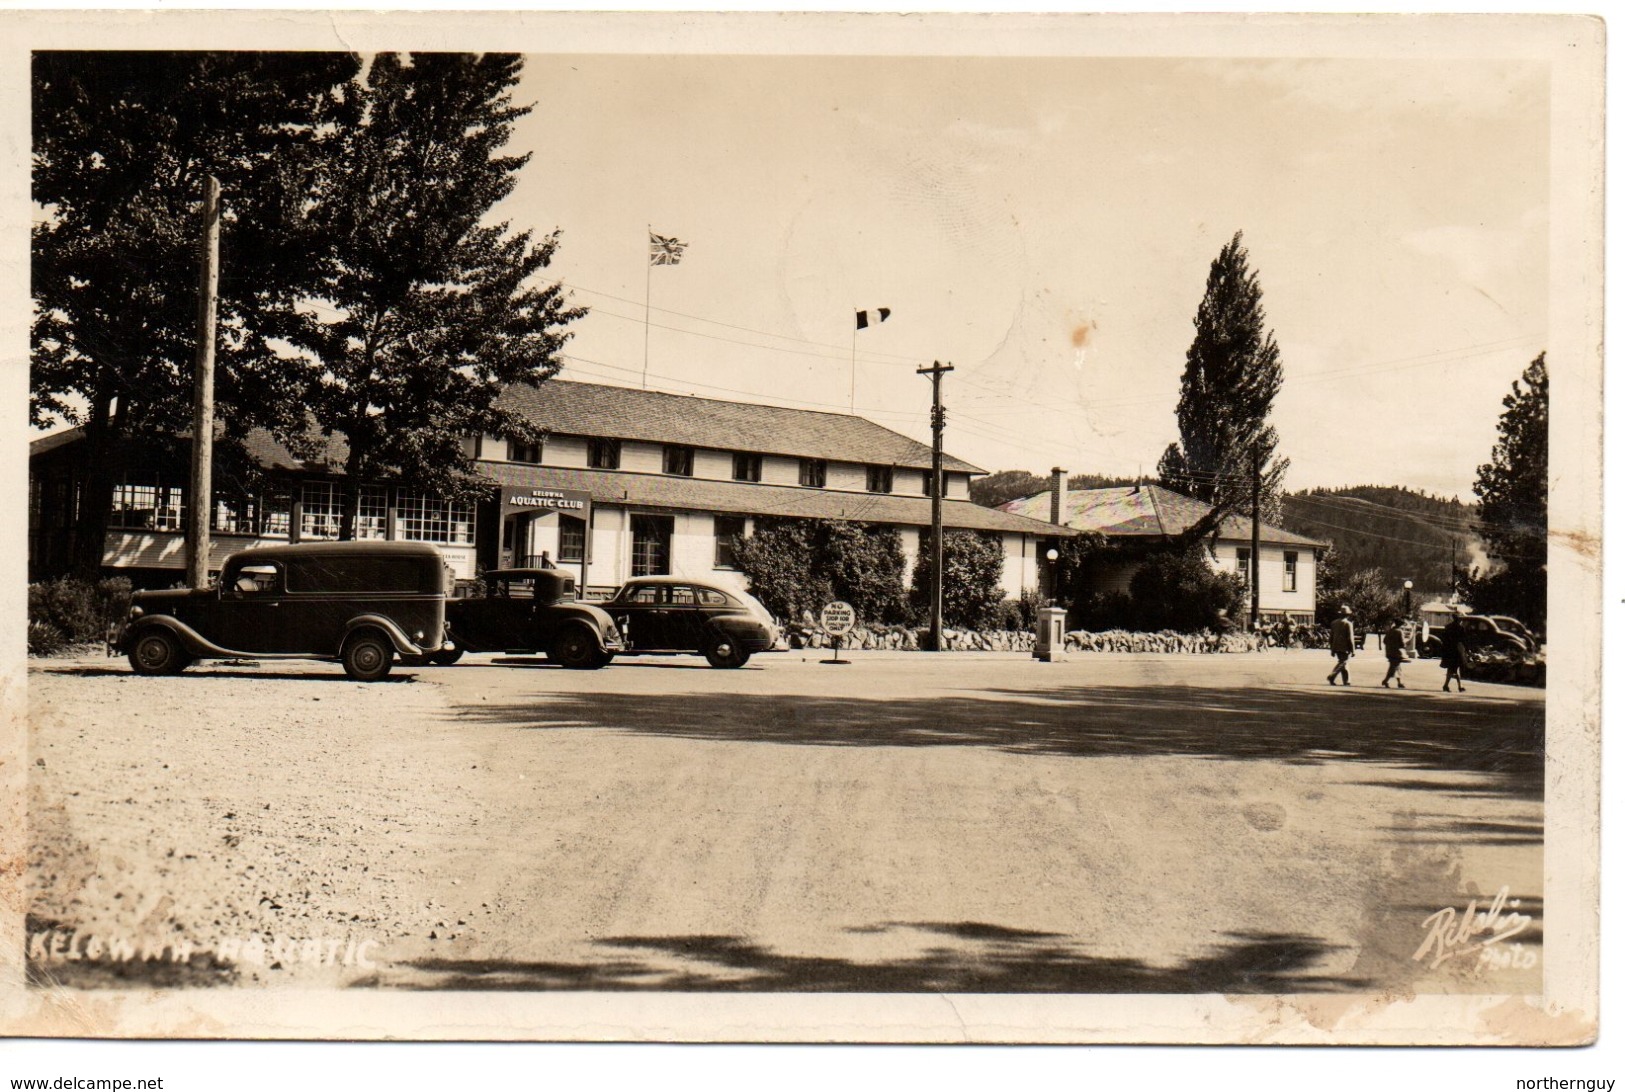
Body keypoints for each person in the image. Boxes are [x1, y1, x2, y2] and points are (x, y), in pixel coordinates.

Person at [1327, 604, 1356, 686]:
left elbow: (1331, 637)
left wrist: (1331, 649)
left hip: (1336, 646)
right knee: (1343, 662)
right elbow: (1350, 638)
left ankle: (1346, 681)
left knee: (1344, 662)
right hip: (1345, 647)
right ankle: (1332, 676)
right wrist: (1353, 650)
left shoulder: (1334, 623)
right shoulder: (1348, 624)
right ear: (1348, 615)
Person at [1439, 613, 1468, 692]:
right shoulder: (1461, 628)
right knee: (1453, 669)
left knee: (1452, 669)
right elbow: (1463, 641)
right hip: (1456, 651)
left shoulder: (1447, 627)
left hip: (1448, 651)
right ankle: (1448, 686)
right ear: (1459, 619)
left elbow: (1443, 638)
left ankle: (1457, 686)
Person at [1381, 618, 1408, 689]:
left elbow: (1384, 641)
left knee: (1397, 667)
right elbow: (1402, 644)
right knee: (1393, 668)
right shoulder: (1400, 632)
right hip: (1397, 653)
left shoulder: (1390, 631)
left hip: (1389, 652)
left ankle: (1399, 682)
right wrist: (1405, 645)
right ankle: (1386, 680)